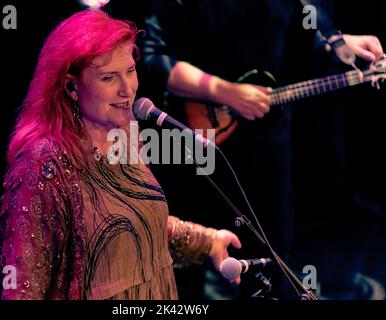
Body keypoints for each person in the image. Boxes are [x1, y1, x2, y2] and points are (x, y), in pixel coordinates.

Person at [0, 9, 242, 300]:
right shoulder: (42, 166)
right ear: (71, 85)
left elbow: (138, 221)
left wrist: (207, 241)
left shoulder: (125, 134)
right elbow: (21, 289)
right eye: (109, 77)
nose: (128, 90)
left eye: (131, 71)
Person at [141, 0, 383, 299]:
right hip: (194, 146)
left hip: (267, 145)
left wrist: (336, 42)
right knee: (188, 269)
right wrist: (223, 91)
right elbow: (152, 58)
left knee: (272, 262)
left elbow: (301, 33)